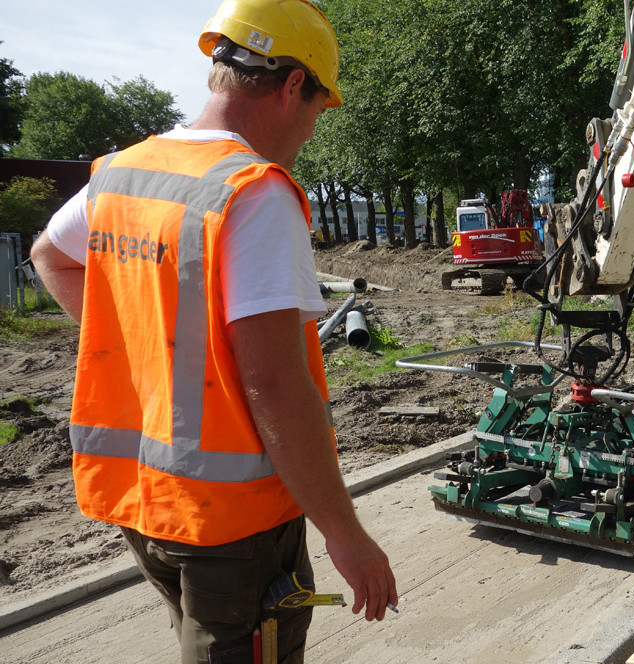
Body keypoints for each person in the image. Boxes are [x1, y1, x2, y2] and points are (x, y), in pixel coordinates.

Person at [29, 1, 397, 661]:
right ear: (291, 86)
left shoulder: (123, 173)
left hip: (146, 508)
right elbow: (277, 386)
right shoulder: (254, 194)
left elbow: (50, 257)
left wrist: (143, 350)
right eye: (319, 108)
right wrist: (347, 536)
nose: (313, 129)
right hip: (234, 526)